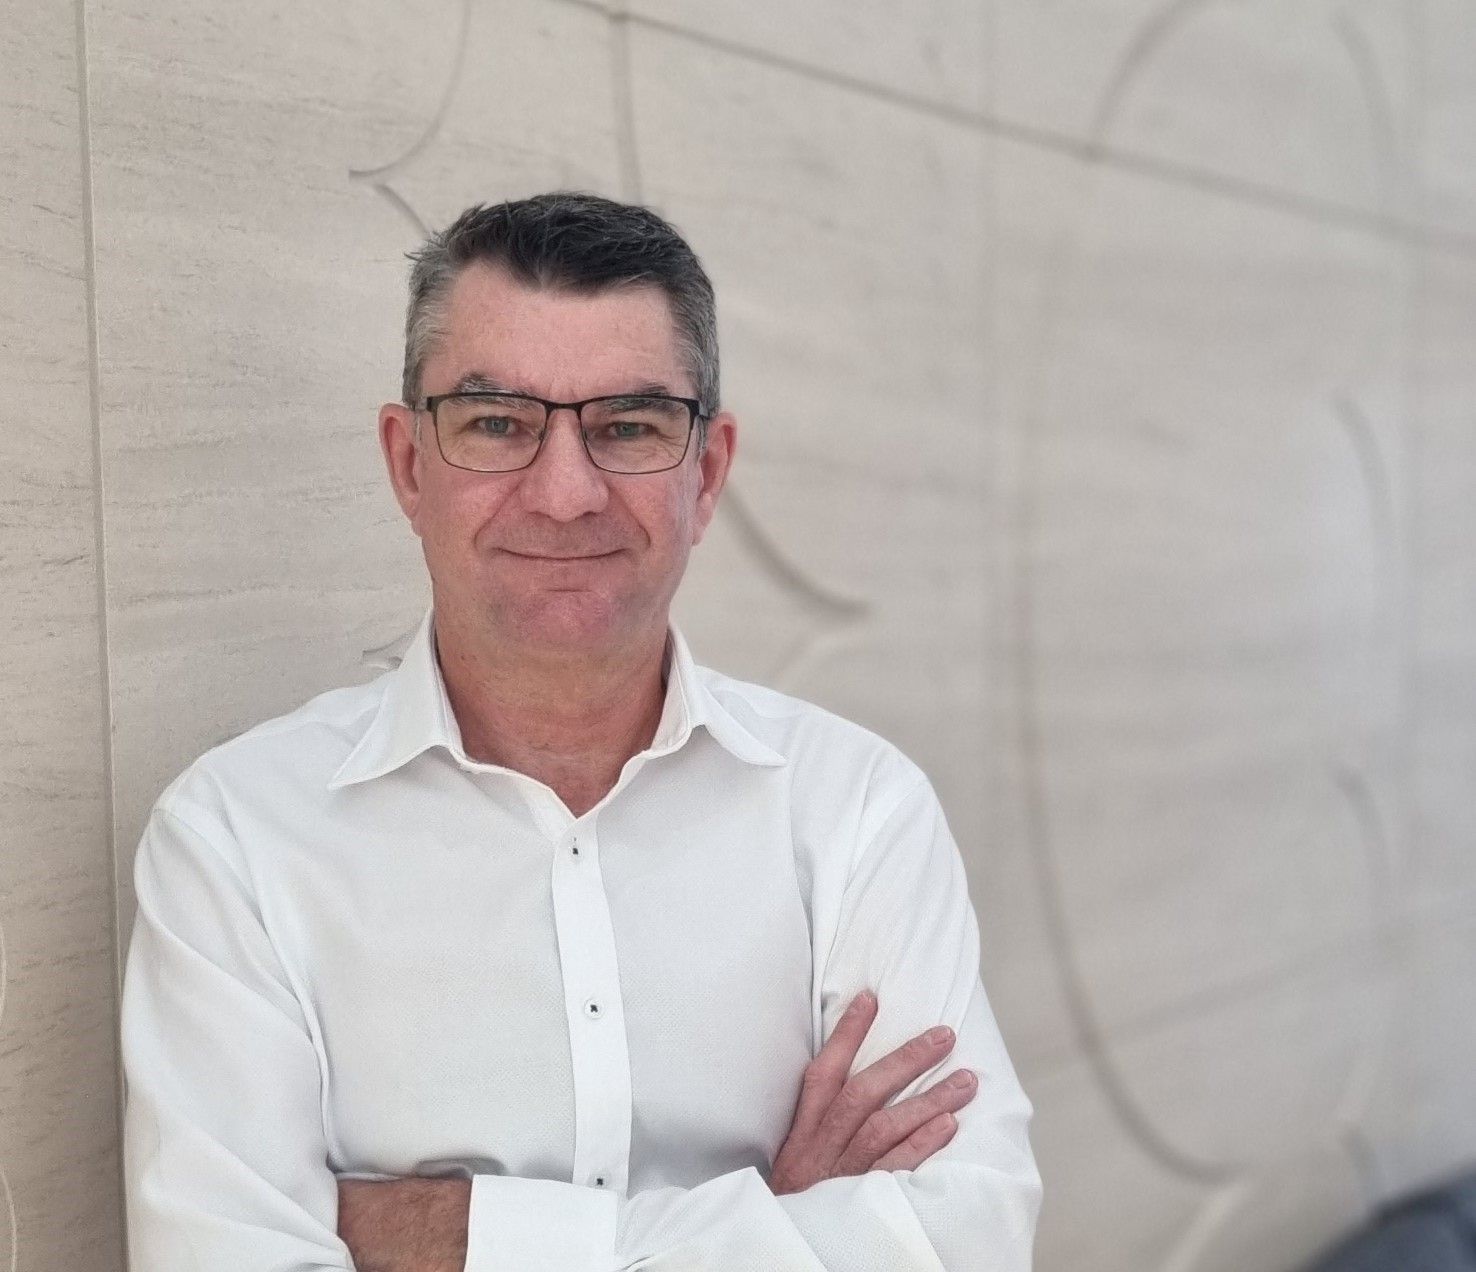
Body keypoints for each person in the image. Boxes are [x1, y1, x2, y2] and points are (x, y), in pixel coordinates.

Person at [119, 191, 1042, 1271]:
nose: (565, 493)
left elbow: (968, 1240)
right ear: (410, 463)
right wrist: (777, 1223)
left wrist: (446, 1235)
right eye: (497, 422)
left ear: (708, 470)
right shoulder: (235, 839)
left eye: (630, 427)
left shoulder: (858, 813)